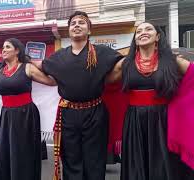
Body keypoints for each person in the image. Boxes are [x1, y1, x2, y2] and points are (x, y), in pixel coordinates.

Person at [31, 11, 124, 180]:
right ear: (69, 31)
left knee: (94, 160)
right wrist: (20, 61)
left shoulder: (102, 53)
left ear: (89, 30)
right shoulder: (59, 57)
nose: (77, 25)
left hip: (96, 114)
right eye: (73, 23)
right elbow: (38, 65)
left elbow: (123, 66)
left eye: (81, 22)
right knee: (71, 160)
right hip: (68, 115)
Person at [106, 22, 194, 180]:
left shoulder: (173, 61)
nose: (142, 32)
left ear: (158, 36)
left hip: (163, 121)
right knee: (136, 167)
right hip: (134, 121)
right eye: (138, 31)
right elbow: (103, 83)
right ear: (135, 39)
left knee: (163, 167)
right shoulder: (125, 64)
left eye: (148, 29)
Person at [0, 38, 56, 180]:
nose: (3, 50)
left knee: (23, 152)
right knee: (5, 152)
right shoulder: (1, 71)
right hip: (6, 116)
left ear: (17, 50)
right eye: (3, 47)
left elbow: (51, 82)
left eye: (7, 47)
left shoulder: (27, 67)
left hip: (26, 115)